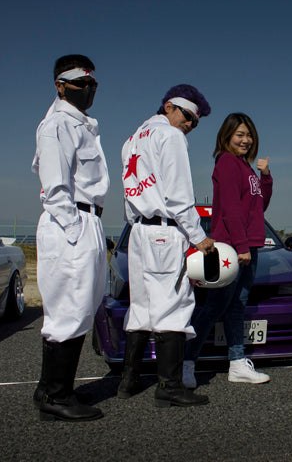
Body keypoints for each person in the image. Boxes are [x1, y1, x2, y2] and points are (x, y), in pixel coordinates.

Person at [117, 84, 215, 408]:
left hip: (139, 231)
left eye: (194, 123)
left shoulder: (132, 139)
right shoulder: (171, 137)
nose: (189, 125)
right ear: (169, 107)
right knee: (173, 305)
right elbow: (179, 195)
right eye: (187, 116)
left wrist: (136, 225)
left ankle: (128, 381)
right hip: (164, 231)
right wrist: (199, 238)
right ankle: (169, 386)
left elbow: (130, 193)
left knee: (141, 307)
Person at [31, 54, 108, 421]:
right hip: (70, 222)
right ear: (60, 85)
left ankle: (52, 389)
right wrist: (75, 229)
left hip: (85, 220)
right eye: (80, 83)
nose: (87, 89)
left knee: (81, 308)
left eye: (92, 83)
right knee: (69, 310)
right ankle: (56, 396)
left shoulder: (83, 125)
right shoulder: (58, 124)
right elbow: (54, 187)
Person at [183, 113, 273, 387]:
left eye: (249, 135)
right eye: (240, 135)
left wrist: (265, 177)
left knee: (237, 306)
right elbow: (232, 210)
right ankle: (186, 363)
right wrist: (241, 246)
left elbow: (260, 206)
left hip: (250, 245)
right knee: (215, 307)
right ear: (227, 136)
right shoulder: (226, 162)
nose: (245, 140)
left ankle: (237, 363)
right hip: (232, 248)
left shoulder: (245, 167)